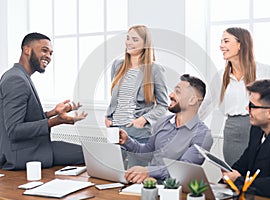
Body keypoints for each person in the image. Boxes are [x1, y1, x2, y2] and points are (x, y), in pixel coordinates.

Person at [0, 32, 88, 170]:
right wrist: (55, 121)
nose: (48, 56)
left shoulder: (20, 76)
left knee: (91, 151)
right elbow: (14, 130)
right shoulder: (16, 79)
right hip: (23, 154)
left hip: (33, 147)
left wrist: (52, 113)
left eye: (51, 53)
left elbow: (24, 119)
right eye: (44, 50)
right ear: (27, 50)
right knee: (92, 154)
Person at [119, 74, 213, 183]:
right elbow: (147, 153)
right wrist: (127, 141)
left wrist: (148, 171)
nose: (171, 95)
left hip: (175, 191)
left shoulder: (203, 135)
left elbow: (183, 170)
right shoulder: (162, 122)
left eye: (178, 92)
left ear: (192, 100)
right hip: (149, 184)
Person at [222, 79, 270, 199]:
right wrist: (228, 176)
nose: (247, 109)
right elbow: (244, 163)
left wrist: (238, 180)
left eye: (252, 106)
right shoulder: (257, 129)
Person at [105, 25, 168, 169]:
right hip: (115, 132)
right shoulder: (117, 65)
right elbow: (117, 99)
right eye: (127, 38)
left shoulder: (155, 69)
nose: (129, 43)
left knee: (135, 178)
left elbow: (163, 105)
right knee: (114, 175)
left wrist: (144, 119)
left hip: (139, 135)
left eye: (134, 39)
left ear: (145, 44)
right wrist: (108, 116)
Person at [219, 27, 270, 166]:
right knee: (234, 172)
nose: (221, 46)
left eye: (226, 41)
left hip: (255, 127)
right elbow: (206, 103)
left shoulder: (262, 70)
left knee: (255, 173)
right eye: (221, 42)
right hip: (232, 130)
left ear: (240, 44)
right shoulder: (220, 75)